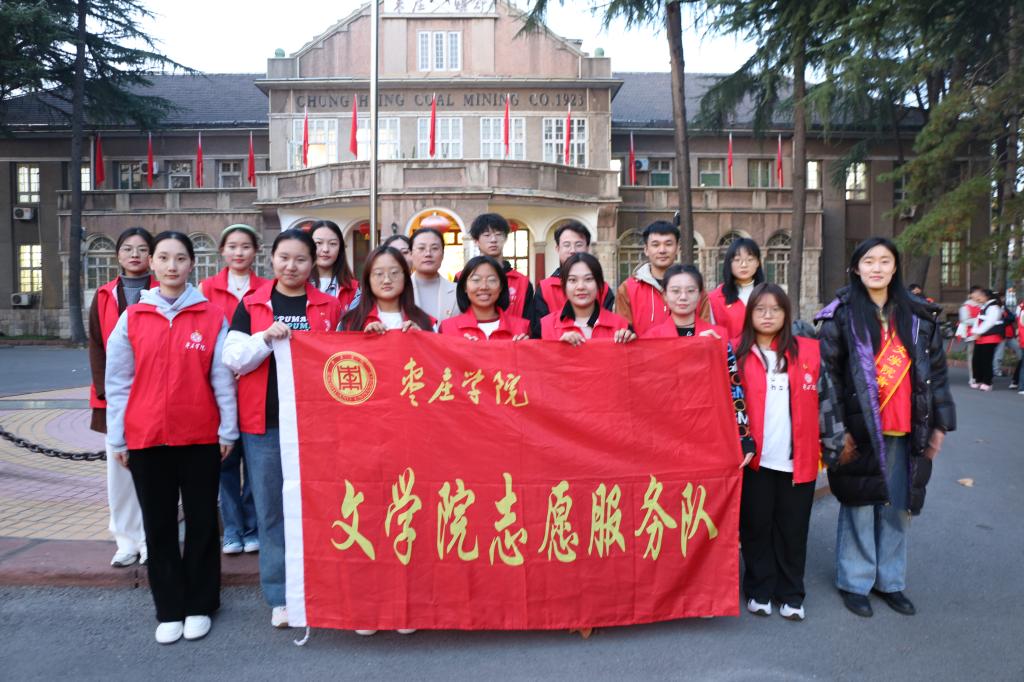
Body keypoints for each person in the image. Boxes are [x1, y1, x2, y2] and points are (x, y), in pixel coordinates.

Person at [104, 231, 238, 644]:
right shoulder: (133, 318)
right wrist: (118, 438)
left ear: (192, 264)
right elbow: (118, 383)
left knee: (202, 522)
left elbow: (222, 378)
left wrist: (227, 429)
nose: (171, 266)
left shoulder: (211, 316)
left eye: (180, 258)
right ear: (152, 264)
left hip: (199, 436)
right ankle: (169, 608)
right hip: (147, 438)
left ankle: (200, 603)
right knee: (158, 525)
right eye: (163, 257)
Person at [816, 237, 955, 619]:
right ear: (856, 268)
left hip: (907, 429)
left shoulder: (918, 317)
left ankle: (890, 581)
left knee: (898, 507)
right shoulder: (840, 316)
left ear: (895, 268)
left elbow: (936, 374)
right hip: (858, 430)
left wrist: (940, 424)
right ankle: (855, 582)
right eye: (869, 261)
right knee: (860, 506)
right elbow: (827, 377)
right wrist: (835, 431)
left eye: (884, 261)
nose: (876, 268)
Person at [223, 229, 343, 629]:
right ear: (271, 259)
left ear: (313, 263)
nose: (291, 266)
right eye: (284, 258)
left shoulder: (330, 306)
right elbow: (233, 358)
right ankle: (280, 595)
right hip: (266, 425)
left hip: (317, 426)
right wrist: (264, 338)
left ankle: (321, 584)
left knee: (320, 508)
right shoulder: (251, 304)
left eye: (301, 259)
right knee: (272, 511)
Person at [735, 283, 844, 621]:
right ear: (750, 315)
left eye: (776, 309)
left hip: (798, 460)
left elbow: (827, 402)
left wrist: (835, 446)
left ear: (786, 313)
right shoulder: (736, 355)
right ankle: (759, 589)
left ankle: (791, 593)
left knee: (793, 530)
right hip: (755, 462)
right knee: (756, 528)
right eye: (760, 309)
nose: (767, 316)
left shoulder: (808, 352)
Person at [199, 223, 270, 556]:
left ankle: (253, 526)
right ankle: (231, 529)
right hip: (219, 385)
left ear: (256, 251)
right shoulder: (207, 288)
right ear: (222, 251)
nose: (238, 252)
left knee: (255, 463)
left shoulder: (267, 289)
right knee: (225, 460)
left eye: (245, 246)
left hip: (257, 384)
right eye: (232, 246)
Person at [643, 264, 757, 467]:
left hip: (710, 434)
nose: (683, 297)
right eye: (675, 291)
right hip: (666, 436)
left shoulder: (718, 336)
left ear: (700, 295)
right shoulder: (651, 339)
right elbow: (644, 392)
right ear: (665, 296)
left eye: (690, 291)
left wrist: (744, 437)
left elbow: (734, 389)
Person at [88, 226, 154, 569]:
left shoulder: (163, 290)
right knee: (119, 472)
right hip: (115, 398)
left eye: (142, 249)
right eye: (128, 248)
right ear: (118, 255)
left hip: (154, 396)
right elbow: (96, 345)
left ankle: (149, 539)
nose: (135, 255)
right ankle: (126, 540)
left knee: (153, 472)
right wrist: (106, 392)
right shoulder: (104, 295)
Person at [531, 221, 615, 336]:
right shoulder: (545, 289)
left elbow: (611, 327)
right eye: (566, 245)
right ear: (557, 249)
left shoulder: (602, 288)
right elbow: (538, 333)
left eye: (579, 245)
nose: (573, 250)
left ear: (588, 248)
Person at [537, 252, 635, 344]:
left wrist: (630, 342)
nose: (581, 287)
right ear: (564, 286)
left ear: (599, 284)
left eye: (588, 279)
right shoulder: (545, 326)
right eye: (573, 280)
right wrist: (558, 348)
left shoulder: (620, 326)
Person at [340, 245, 434, 333]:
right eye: (379, 274)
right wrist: (364, 339)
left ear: (405, 277)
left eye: (394, 273)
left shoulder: (425, 321)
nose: (387, 280)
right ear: (368, 279)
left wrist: (420, 337)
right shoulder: (351, 321)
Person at [440, 256, 530, 340]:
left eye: (491, 280)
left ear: (501, 286)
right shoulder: (447, 328)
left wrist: (524, 348)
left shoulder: (522, 328)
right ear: (464, 287)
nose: (484, 287)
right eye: (476, 280)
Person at [615, 220, 678, 335]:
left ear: (678, 248)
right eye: (655, 245)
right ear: (646, 250)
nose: (662, 250)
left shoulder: (692, 288)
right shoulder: (627, 288)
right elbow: (623, 330)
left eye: (668, 244)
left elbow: (704, 331)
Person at [467, 213, 534, 320]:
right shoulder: (463, 277)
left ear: (506, 238)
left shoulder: (522, 282)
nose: (493, 239)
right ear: (476, 241)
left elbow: (529, 323)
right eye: (487, 235)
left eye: (498, 234)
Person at [708, 237, 766, 340]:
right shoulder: (715, 298)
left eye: (750, 259)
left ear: (758, 263)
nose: (744, 265)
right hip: (730, 350)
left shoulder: (768, 294)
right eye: (737, 260)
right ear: (729, 264)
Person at [410, 227, 458, 322]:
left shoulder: (458, 292)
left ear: (443, 254)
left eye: (434, 248)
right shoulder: (399, 291)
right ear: (411, 253)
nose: (428, 254)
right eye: (421, 248)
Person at [310, 219, 359, 310]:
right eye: (318, 243)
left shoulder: (353, 290)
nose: (325, 249)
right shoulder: (298, 285)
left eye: (332, 244)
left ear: (340, 249)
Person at [969, 288, 1003, 391]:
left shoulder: (994, 307)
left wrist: (978, 332)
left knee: (986, 360)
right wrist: (975, 332)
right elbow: (978, 321)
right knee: (977, 360)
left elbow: (989, 322)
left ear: (986, 297)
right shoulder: (984, 306)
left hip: (990, 337)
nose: (978, 298)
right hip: (981, 337)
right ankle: (978, 379)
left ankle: (987, 382)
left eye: (980, 296)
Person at [956, 287, 983, 386]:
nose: (978, 294)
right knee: (972, 356)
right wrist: (980, 320)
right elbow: (964, 320)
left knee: (981, 356)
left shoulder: (983, 305)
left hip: (983, 333)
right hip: (971, 334)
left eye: (980, 292)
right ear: (971, 295)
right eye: (976, 292)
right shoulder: (966, 306)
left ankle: (981, 376)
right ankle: (972, 377)